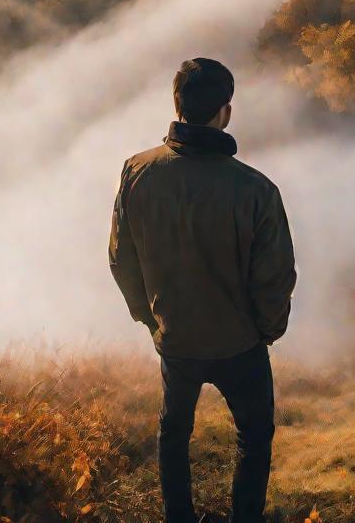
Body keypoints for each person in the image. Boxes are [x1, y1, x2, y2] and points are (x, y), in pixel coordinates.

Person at [109, 57, 297, 523]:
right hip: (241, 344)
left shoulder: (138, 172)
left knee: (173, 434)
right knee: (254, 438)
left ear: (177, 104)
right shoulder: (256, 189)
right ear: (225, 112)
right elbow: (275, 275)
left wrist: (150, 317)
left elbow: (121, 258)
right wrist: (266, 332)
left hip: (176, 339)